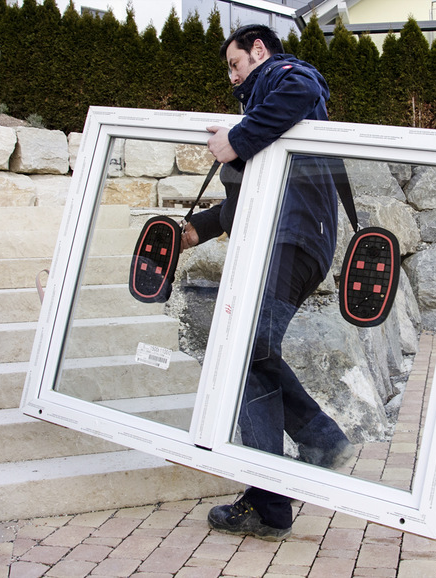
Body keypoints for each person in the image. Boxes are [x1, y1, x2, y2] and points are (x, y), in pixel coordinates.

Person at [180, 24, 355, 541]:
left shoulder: (284, 75)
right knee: (250, 351)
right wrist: (199, 230)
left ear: (259, 50)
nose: (234, 78)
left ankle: (280, 487)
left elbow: (305, 87)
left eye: (236, 65)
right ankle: (299, 464)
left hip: (292, 238)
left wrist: (234, 139)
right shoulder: (271, 117)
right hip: (290, 237)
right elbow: (251, 194)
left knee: (246, 348)